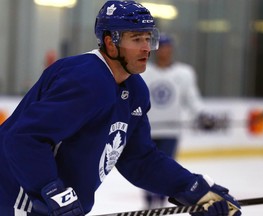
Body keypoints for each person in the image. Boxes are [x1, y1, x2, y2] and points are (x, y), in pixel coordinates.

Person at [0, 1, 241, 216]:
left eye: (149, 38)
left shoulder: (135, 90)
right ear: (110, 43)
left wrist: (191, 187)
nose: (146, 48)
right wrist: (53, 191)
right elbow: (23, 138)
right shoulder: (86, 79)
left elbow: (140, 158)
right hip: (16, 199)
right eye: (137, 39)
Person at [141, 33, 202, 208]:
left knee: (165, 167)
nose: (164, 52)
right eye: (161, 48)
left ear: (172, 49)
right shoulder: (144, 71)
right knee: (145, 167)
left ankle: (159, 201)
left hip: (170, 131)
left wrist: (201, 114)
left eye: (167, 48)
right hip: (147, 130)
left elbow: (192, 99)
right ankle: (149, 201)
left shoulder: (184, 73)